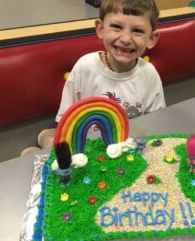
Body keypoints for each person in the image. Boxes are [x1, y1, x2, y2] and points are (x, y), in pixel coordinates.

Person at [21, 0, 165, 155]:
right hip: (86, 147)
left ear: (151, 39)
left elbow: (154, 124)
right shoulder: (85, 67)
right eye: (116, 27)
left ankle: (47, 139)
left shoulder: (149, 74)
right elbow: (66, 121)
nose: (125, 39)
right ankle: (48, 141)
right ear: (100, 29)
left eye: (137, 30)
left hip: (127, 148)